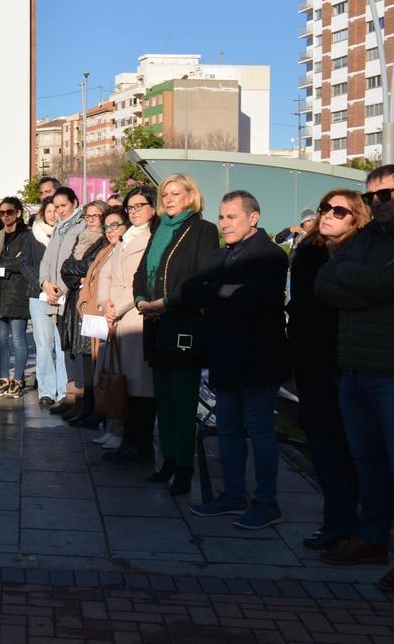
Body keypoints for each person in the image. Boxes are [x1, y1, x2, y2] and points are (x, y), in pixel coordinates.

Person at [184, 191, 291, 529]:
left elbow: (249, 302)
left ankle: (266, 502)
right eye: (221, 217)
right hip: (225, 355)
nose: (224, 224)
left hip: (259, 357)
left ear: (253, 217)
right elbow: (190, 290)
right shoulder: (220, 255)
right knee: (228, 427)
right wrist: (222, 291)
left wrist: (215, 295)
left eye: (231, 217)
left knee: (259, 429)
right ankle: (233, 495)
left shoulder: (271, 256)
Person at [315, 164, 394, 594]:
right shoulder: (365, 241)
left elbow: (386, 279)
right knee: (369, 463)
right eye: (375, 196)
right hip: (355, 369)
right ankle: (373, 539)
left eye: (389, 195)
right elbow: (326, 283)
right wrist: (374, 289)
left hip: (389, 373)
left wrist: (365, 286)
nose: (381, 202)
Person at [288, 189, 367, 552]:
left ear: (356, 217)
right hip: (313, 362)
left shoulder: (363, 251)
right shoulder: (308, 251)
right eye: (324, 208)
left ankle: (361, 528)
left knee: (358, 451)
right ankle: (336, 523)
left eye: (339, 210)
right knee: (323, 447)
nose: (328, 214)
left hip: (351, 361)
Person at [133, 173, 219, 496]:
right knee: (164, 401)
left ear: (191, 197)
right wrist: (142, 300)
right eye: (165, 194)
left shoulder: (203, 230)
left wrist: (165, 303)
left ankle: (184, 467)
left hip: (183, 327)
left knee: (184, 402)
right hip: (155, 326)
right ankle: (168, 460)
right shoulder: (158, 231)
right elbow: (142, 273)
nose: (169, 199)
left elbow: (201, 280)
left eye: (176, 193)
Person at [98, 186, 158, 464]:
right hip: (116, 316)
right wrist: (104, 304)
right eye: (130, 208)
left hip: (134, 315)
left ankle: (140, 444)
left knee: (140, 386)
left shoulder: (151, 238)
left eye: (139, 206)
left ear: (152, 207)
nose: (134, 212)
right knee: (125, 384)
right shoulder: (124, 239)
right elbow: (106, 276)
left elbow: (139, 279)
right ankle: (127, 441)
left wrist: (118, 307)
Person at [58, 200, 110, 427]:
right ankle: (84, 403)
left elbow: (86, 267)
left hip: (91, 304)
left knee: (91, 356)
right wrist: (76, 274)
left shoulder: (103, 240)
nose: (90, 220)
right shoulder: (81, 238)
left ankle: (93, 406)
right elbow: (66, 268)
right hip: (74, 301)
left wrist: (78, 273)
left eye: (96, 216)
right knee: (78, 353)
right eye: (87, 216)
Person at [39, 187, 85, 413]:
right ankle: (68, 395)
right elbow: (47, 260)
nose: (59, 211)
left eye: (63, 206)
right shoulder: (59, 228)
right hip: (54, 295)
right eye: (56, 207)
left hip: (70, 296)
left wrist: (61, 289)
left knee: (71, 347)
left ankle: (75, 396)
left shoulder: (82, 226)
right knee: (62, 346)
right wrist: (46, 283)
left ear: (75, 203)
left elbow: (78, 263)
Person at [0, 197, 32, 398]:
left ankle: (18, 380)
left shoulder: (26, 235)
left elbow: (23, 263)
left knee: (18, 338)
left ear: (18, 212)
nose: (4, 216)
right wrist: (5, 265)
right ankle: (4, 379)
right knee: (0, 340)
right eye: (0, 213)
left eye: (8, 212)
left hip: (17, 293)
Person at [24, 196, 60, 404]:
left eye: (56, 210)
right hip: (39, 295)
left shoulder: (65, 234)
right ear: (42, 213)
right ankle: (46, 389)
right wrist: (42, 283)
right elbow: (24, 263)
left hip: (62, 295)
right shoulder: (33, 235)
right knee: (44, 343)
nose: (53, 214)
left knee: (62, 344)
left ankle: (63, 390)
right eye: (49, 211)